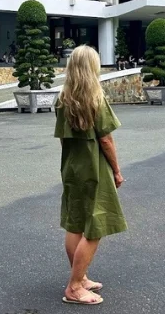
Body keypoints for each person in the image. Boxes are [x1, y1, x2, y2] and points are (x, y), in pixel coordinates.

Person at [54, 45, 127, 306]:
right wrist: (116, 170)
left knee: (75, 222)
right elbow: (105, 139)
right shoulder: (95, 98)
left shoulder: (62, 98)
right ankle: (74, 286)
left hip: (72, 167)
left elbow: (63, 139)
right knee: (97, 224)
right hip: (94, 167)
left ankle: (80, 277)